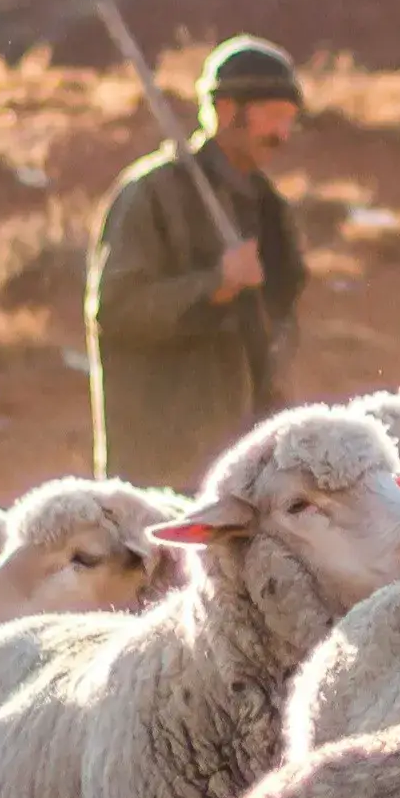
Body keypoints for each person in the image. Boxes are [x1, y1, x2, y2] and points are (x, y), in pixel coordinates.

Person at [83, 35, 310, 485]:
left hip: (248, 462)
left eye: (290, 121)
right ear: (226, 110)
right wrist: (216, 284)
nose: (283, 135)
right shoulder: (150, 195)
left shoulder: (270, 208)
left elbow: (281, 318)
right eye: (274, 118)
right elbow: (116, 310)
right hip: (164, 464)